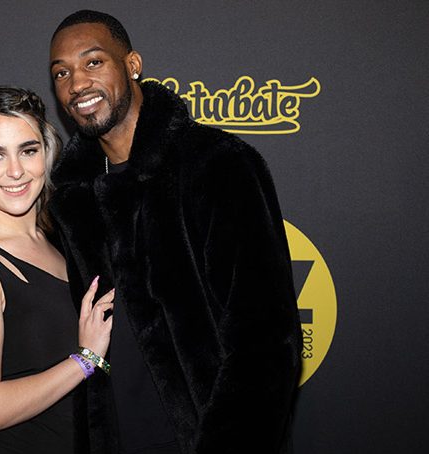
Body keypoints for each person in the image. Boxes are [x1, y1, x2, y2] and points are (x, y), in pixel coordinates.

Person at [48, 10, 302, 454]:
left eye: (93, 62)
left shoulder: (218, 165)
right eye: (61, 73)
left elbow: (265, 343)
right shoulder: (73, 197)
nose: (77, 84)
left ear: (132, 65)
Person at [0, 86, 114, 453]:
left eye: (28, 150)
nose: (15, 171)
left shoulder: (60, 242)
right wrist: (85, 360)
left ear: (47, 153)